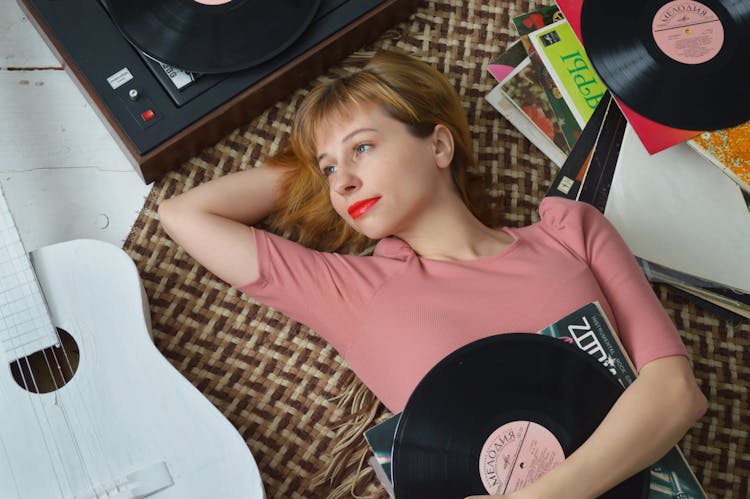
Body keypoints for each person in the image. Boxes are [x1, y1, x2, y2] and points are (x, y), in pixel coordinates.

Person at [158, 50, 707, 498]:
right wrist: (313, 171)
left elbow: (675, 394)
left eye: (364, 147)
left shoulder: (570, 230)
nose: (341, 182)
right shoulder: (351, 291)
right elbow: (184, 215)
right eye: (329, 170)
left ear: (439, 144)